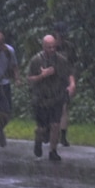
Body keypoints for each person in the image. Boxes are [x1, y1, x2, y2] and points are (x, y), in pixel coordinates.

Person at [26, 33, 74, 162]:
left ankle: (53, 150)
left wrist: (72, 85)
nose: (52, 50)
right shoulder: (36, 60)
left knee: (55, 125)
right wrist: (42, 76)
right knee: (42, 127)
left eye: (54, 47)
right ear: (43, 47)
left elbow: (69, 73)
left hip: (57, 96)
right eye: (49, 47)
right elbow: (29, 79)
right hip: (41, 98)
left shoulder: (61, 60)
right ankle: (38, 137)